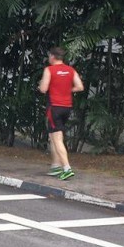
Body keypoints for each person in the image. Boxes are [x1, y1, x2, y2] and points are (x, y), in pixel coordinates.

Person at [39, 46, 84, 180]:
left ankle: (66, 168)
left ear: (52, 57)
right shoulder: (70, 70)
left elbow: (43, 89)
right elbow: (80, 87)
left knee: (57, 138)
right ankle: (56, 166)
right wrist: (67, 90)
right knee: (54, 136)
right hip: (67, 107)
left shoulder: (49, 70)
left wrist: (41, 85)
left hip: (54, 107)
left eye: (49, 56)